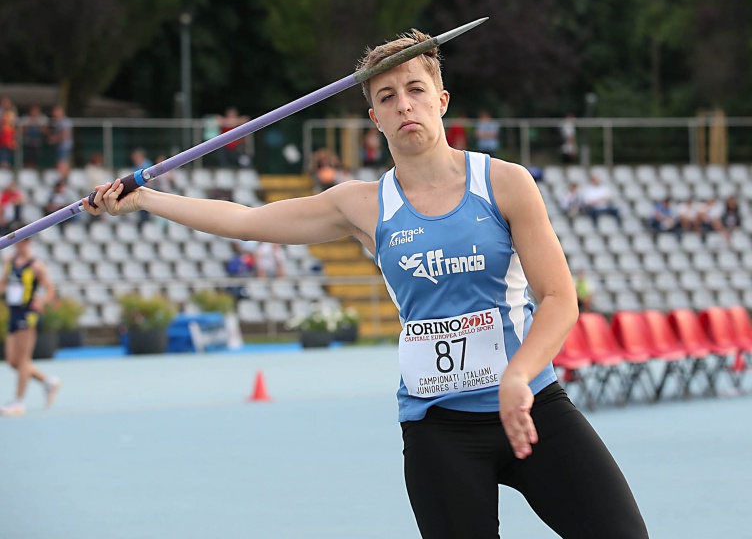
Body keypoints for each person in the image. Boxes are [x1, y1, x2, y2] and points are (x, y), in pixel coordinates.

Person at [83, 28, 648, 538]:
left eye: (415, 89)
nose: (404, 104)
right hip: (438, 430)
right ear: (374, 118)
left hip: (530, 404)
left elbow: (559, 299)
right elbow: (246, 220)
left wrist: (518, 376)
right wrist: (147, 200)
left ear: (441, 100)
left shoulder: (504, 183)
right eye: (387, 97)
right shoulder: (363, 205)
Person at [0, 222, 60, 416]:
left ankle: (18, 401)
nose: (19, 244)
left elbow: (50, 290)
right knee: (13, 361)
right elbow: (4, 283)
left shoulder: (36, 266)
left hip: (28, 314)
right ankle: (48, 382)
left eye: (22, 240)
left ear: (28, 241)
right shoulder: (10, 261)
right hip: (14, 312)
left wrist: (41, 301)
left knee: (23, 359)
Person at [47, 105, 73, 179]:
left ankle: (63, 179)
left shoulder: (65, 121)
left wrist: (54, 139)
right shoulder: (56, 122)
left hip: (64, 146)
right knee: (61, 163)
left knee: (62, 163)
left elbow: (65, 134)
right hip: (60, 146)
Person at [19, 105, 49, 169]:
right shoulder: (26, 118)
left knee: (36, 158)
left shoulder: (42, 118)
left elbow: (46, 131)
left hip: (37, 142)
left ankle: (35, 169)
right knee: (27, 157)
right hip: (27, 142)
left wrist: (39, 123)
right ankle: (27, 168)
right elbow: (21, 131)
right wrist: (29, 124)